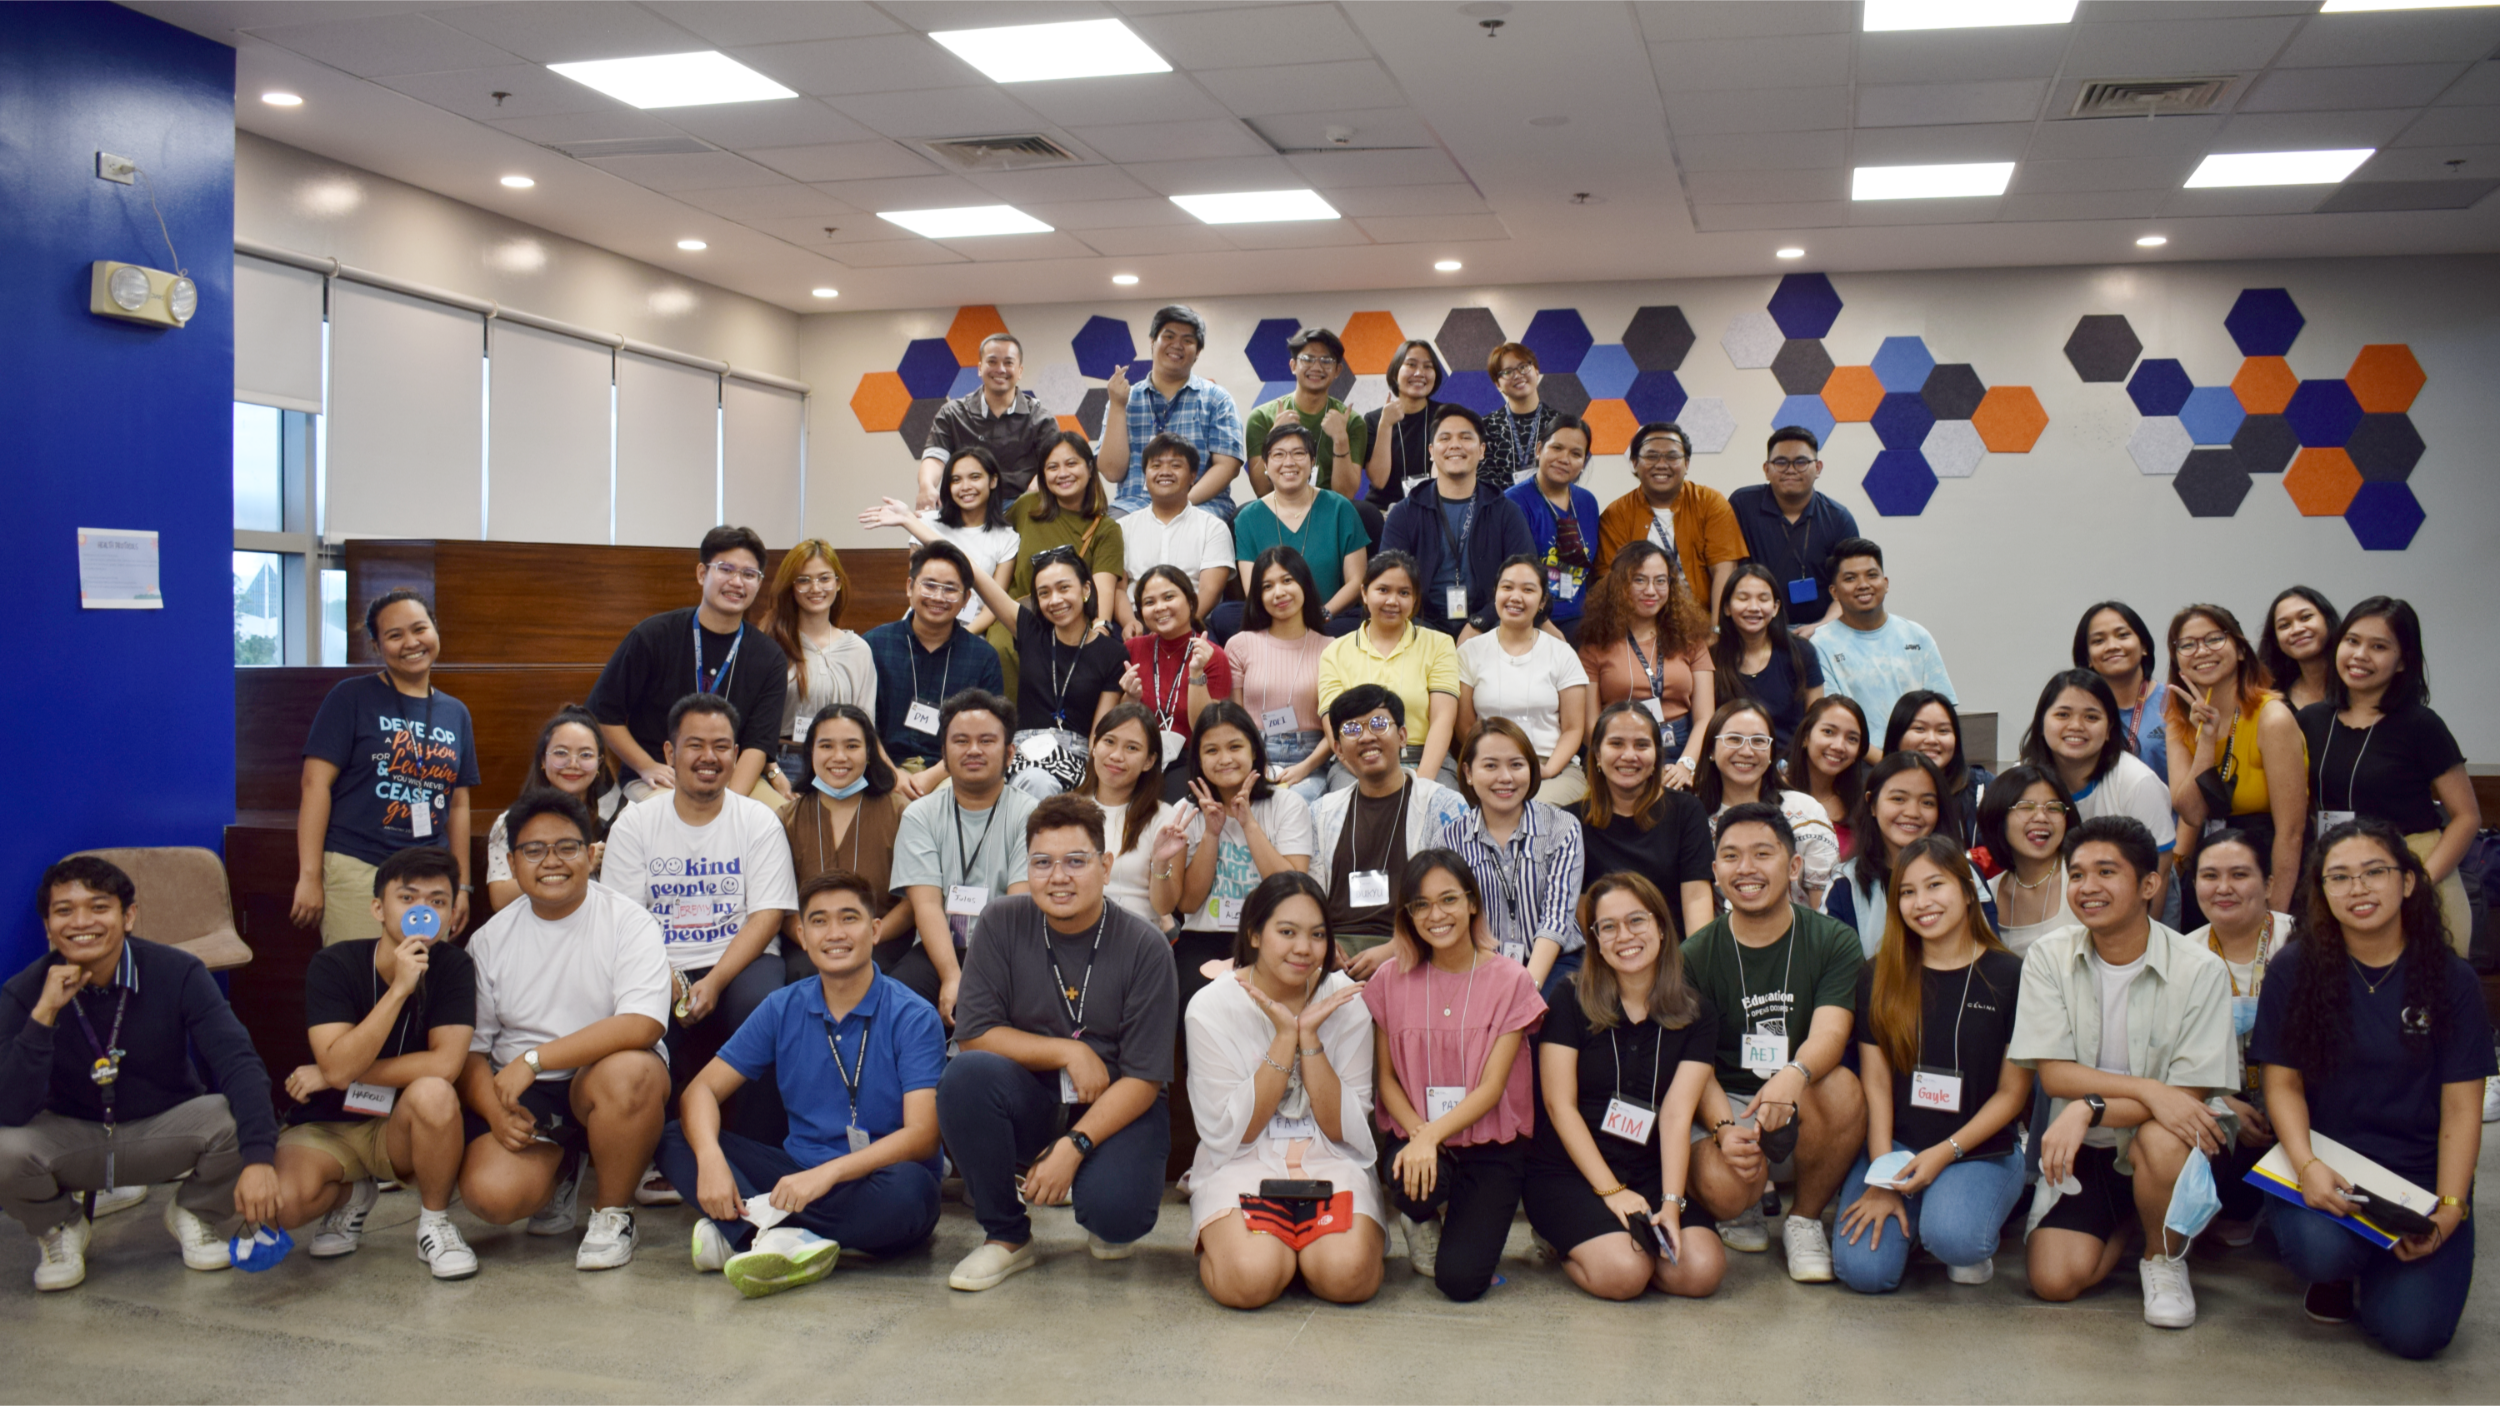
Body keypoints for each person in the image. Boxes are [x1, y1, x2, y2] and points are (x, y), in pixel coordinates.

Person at [2253, 819, 2492, 1359]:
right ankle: (2341, 1266)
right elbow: (2282, 1083)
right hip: (2329, 1162)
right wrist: (2307, 1165)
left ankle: (2384, 1261)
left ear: (2407, 881)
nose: (2357, 889)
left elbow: (2462, 1109)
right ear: (2322, 892)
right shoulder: (2294, 968)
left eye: (2374, 872)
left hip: (2419, 1173)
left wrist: (2450, 1208)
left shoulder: (2451, 979)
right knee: (2322, 1253)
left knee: (2415, 1336)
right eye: (2339, 877)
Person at [2, 857, 283, 1291]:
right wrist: (44, 1017)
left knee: (235, 1114)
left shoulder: (178, 972)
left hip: (163, 1130)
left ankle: (196, 1211)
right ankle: (60, 1227)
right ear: (48, 926)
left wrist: (261, 1160)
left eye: (99, 907)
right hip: (73, 1139)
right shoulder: (26, 990)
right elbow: (8, 1108)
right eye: (64, 910)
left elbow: (238, 1062)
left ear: (128, 916)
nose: (82, 922)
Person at [661, 872, 946, 1298]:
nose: (835, 933)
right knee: (675, 1138)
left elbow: (922, 1135)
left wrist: (826, 1176)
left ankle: (752, 1231)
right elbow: (701, 1092)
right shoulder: (782, 1006)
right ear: (802, 936)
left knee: (910, 1194)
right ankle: (784, 1239)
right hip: (794, 1174)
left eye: (848, 918)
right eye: (819, 921)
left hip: (878, 1180)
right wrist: (711, 1158)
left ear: (874, 930)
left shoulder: (913, 1015)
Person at [937, 795, 1181, 1290]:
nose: (1058, 877)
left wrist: (1075, 1146)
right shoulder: (1001, 921)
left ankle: (1093, 1186)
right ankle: (1006, 1236)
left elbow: (1144, 1079)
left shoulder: (1145, 946)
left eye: (1075, 861)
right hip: (1033, 1096)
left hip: (1116, 1101)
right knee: (964, 1076)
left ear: (1105, 866)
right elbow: (975, 1034)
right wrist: (1069, 1050)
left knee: (1116, 1218)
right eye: (1042, 863)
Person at [2009, 815, 2236, 1328]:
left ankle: (2163, 1258)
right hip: (2090, 1147)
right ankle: (2137, 1214)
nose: (2088, 887)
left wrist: (2088, 1107)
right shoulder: (2049, 956)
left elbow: (2184, 1101)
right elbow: (2056, 1076)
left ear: (2149, 885)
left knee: (2160, 1138)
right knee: (2053, 1280)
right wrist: (2145, 1092)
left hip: (2176, 1144)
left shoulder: (2199, 968)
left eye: (2106, 872)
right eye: (2077, 874)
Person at [456, 791, 672, 1271]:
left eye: (567, 847)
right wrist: (494, 1113)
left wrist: (535, 1060)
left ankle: (612, 1213)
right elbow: (470, 1053)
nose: (551, 861)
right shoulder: (488, 940)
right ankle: (564, 1169)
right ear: (513, 863)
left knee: (631, 1073)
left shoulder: (629, 921)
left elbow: (643, 1022)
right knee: (492, 1197)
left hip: (600, 1076)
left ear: (591, 854)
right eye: (534, 850)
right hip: (525, 1092)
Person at [1833, 839, 2032, 1293]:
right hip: (1897, 1145)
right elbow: (1876, 1083)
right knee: (1864, 1272)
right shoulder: (1878, 974)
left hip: (1978, 1149)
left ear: (1967, 891)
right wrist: (1883, 1174)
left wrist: (1944, 1153)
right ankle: (1920, 1212)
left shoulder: (2010, 975)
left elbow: (2012, 1094)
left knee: (1956, 1239)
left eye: (1935, 885)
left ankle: (1946, 1219)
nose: (1921, 902)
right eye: (1907, 892)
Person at [598, 694, 798, 1145]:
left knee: (764, 1008)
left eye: (721, 746)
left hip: (741, 959)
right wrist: (666, 975)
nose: (709, 757)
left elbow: (767, 915)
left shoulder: (758, 821)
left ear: (736, 754)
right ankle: (661, 1149)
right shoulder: (635, 823)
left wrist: (716, 980)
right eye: (695, 745)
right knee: (643, 1017)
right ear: (670, 753)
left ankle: (755, 1150)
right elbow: (624, 921)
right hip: (658, 961)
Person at [271, 847, 477, 1280]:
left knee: (435, 1091)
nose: (423, 911)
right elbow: (338, 1066)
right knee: (285, 1205)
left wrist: (331, 1074)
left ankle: (435, 1223)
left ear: (449, 914)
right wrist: (399, 989)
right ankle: (352, 1197)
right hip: (329, 1124)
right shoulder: (334, 964)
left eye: (438, 901)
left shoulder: (455, 966)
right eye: (408, 898)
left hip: (399, 1129)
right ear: (378, 908)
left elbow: (445, 1064)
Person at [1683, 804, 1868, 1275]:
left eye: (1763, 854)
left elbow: (1831, 1030)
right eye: (1731, 856)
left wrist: (1794, 1074)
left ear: (1794, 866)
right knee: (1724, 1189)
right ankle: (1740, 1206)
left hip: (1802, 1096)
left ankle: (1804, 1219)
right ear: (1715, 871)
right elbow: (1694, 1064)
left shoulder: (1832, 940)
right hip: (1728, 1101)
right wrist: (1724, 1128)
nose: (1746, 868)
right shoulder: (1694, 955)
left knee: (1844, 1087)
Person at [1185, 872, 1383, 1309]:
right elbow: (1235, 1132)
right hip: (1242, 1159)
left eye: (1317, 935)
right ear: (1254, 935)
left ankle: (1302, 1252)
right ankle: (1264, 1250)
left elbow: (1342, 1127)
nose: (1304, 948)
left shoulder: (1346, 999)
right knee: (1249, 1280)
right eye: (1287, 932)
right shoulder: (1211, 1006)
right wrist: (1284, 1037)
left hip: (1329, 1156)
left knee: (1348, 1277)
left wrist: (1309, 1040)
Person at [1527, 872, 1726, 1300]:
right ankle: (1572, 1243)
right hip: (1571, 1171)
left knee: (1701, 1271)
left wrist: (1670, 1203)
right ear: (1596, 941)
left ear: (1661, 926)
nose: (1625, 936)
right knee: (1624, 1273)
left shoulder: (1696, 1013)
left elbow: (1676, 1115)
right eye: (1608, 927)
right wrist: (1612, 1192)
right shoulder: (1569, 998)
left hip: (1648, 1170)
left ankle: (1631, 1245)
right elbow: (1559, 1106)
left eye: (1636, 920)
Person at [1364, 849, 1545, 1301]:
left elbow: (1493, 1087)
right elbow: (1386, 1080)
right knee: (1410, 1182)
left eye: (1448, 899)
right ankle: (1421, 1217)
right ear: (1408, 915)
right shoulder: (1389, 978)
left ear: (1472, 902)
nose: (1436, 915)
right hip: (1417, 1132)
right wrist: (1420, 1136)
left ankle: (1467, 1215)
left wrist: (1430, 1136)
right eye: (1421, 905)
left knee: (1460, 1282)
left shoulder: (1511, 980)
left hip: (1491, 1143)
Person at [293, 588, 481, 944]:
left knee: (422, 975)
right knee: (360, 974)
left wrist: (462, 886)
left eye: (419, 629)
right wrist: (310, 876)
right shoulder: (350, 697)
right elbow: (314, 785)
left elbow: (458, 804)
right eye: (395, 635)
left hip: (431, 877)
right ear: (377, 646)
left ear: (435, 630)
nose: (411, 642)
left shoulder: (455, 712)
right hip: (359, 868)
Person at [2297, 597, 2481, 958]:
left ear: (2403, 661)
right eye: (2352, 641)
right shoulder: (2310, 720)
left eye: (2378, 647)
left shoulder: (2421, 724)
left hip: (2417, 867)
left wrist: (2416, 882)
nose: (2360, 655)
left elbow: (2467, 816)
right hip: (2341, 872)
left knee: (2429, 984)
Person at [589, 526, 786, 802]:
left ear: (759, 583)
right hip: (662, 776)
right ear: (702, 573)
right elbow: (602, 713)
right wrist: (646, 765)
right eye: (726, 569)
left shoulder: (769, 656)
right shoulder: (653, 636)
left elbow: (758, 744)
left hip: (732, 778)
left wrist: (730, 804)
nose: (737, 582)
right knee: (670, 818)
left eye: (749, 574)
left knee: (781, 815)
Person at [889, 690, 1036, 1023]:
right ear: (943, 753)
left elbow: (1017, 908)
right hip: (938, 949)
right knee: (896, 1004)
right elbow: (926, 905)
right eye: (961, 741)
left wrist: (977, 977)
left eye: (986, 741)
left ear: (1009, 753)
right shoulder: (920, 815)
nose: (973, 750)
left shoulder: (1030, 814)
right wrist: (951, 975)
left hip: (1006, 952)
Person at [1308, 684, 1469, 977]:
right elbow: (1308, 895)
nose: (1367, 736)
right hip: (1334, 957)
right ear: (1338, 749)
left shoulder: (1443, 806)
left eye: (1379, 724)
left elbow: (1456, 898)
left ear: (1402, 736)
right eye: (1352, 729)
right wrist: (1321, 942)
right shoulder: (1321, 812)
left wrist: (1397, 948)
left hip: (1418, 950)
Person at [2163, 603, 2306, 920]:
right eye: (2187, 644)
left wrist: (2275, 919)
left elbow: (2292, 831)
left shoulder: (2272, 717)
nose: (2202, 651)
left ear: (2240, 650)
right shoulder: (2178, 720)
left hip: (2267, 865)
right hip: (2210, 867)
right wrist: (2206, 739)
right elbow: (2192, 812)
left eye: (2214, 639)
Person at [2181, 828, 2290, 1246]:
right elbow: (2167, 1055)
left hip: (2301, 1098)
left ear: (2269, 884)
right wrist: (2221, 1103)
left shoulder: (2302, 941)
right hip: (2222, 1098)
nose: (2223, 888)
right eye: (2210, 876)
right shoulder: (2182, 954)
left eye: (2239, 875)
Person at [956, 543, 1130, 798]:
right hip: (1023, 756)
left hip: (1076, 760)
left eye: (1064, 588)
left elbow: (1099, 734)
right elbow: (976, 574)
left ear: (1086, 589)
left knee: (1040, 784)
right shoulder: (1031, 631)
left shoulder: (1113, 653)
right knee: (1030, 780)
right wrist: (910, 524)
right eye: (1044, 593)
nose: (1055, 600)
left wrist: (1093, 785)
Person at [1174, 703, 1315, 1006]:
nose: (1225, 759)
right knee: (1196, 999)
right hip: (1204, 936)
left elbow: (1294, 891)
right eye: (1212, 751)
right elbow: (1187, 903)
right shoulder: (1186, 812)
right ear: (1198, 759)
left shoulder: (1287, 804)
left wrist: (1248, 824)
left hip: (1272, 934)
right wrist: (1211, 834)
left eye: (1235, 747)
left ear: (1254, 750)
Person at [1441, 718, 1585, 995]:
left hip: (1556, 962)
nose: (1505, 777)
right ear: (1468, 772)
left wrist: (1526, 990)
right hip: (1480, 963)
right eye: (1490, 766)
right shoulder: (1449, 839)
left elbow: (1556, 919)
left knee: (1553, 1008)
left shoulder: (1562, 827)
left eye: (1516, 765)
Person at [862, 541, 1006, 794]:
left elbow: (989, 731)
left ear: (966, 599)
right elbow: (860, 721)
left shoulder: (983, 657)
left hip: (951, 771)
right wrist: (891, 773)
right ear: (910, 587)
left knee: (957, 797)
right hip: (881, 766)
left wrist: (933, 776)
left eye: (950, 589)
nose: (938, 597)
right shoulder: (873, 645)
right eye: (929, 585)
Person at [781, 705, 913, 982]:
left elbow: (912, 902)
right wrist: (812, 939)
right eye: (826, 746)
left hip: (882, 942)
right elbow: (779, 903)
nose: (839, 757)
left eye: (852, 746)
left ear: (869, 753)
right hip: (809, 947)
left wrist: (870, 936)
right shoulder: (786, 819)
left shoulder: (901, 813)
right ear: (811, 752)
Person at [2021, 672, 2179, 900]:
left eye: (2091, 717)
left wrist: (2142, 923)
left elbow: (2159, 869)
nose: (2076, 726)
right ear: (2041, 723)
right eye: (2063, 714)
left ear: (2109, 729)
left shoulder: (2137, 782)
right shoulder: (2023, 780)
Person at [1380, 404, 1535, 637]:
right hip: (1420, 624)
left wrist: (1480, 622)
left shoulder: (1506, 512)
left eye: (1465, 437)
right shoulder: (1405, 512)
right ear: (1431, 451)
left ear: (1482, 450)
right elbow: (1388, 580)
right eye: (1445, 438)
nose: (1455, 445)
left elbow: (1526, 578)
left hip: (1491, 625)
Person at [1572, 702, 1717, 942]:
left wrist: (1696, 962)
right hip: (1607, 952)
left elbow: (1696, 901)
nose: (1629, 756)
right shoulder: (1572, 822)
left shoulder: (1687, 811)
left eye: (1642, 745)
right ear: (1597, 754)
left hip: (1675, 951)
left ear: (1656, 755)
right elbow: (1582, 913)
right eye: (1616, 744)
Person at [1316, 552, 1462, 787]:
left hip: (1425, 760)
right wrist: (1373, 781)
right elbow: (1334, 725)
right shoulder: (1334, 652)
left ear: (1415, 599)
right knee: (1352, 805)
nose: (1393, 601)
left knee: (1442, 805)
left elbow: (1443, 719)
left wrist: (1421, 784)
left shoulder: (1440, 644)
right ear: (1364, 593)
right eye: (1383, 590)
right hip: (1357, 763)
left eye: (1404, 593)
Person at [1457, 555, 1591, 807]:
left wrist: (1548, 770)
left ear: (1542, 601)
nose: (1515, 597)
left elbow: (1574, 728)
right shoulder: (1469, 652)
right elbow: (1465, 726)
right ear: (1495, 593)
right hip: (1491, 766)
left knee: (1532, 810)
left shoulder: (1562, 652)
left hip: (1552, 768)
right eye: (1507, 587)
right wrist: (1493, 766)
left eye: (1528, 590)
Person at [1576, 541, 1714, 779]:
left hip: (1681, 750)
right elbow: (1590, 727)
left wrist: (1686, 766)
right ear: (1620, 585)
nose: (1651, 591)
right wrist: (1621, 760)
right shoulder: (1595, 644)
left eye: (1660, 581)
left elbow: (1705, 717)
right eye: (1639, 580)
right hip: (1620, 752)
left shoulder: (1690, 638)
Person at [1101, 304, 1245, 524]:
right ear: (1152, 341)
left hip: (1201, 504)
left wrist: (1180, 504)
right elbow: (1112, 472)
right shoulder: (1123, 399)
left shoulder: (1217, 399)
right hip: (1134, 505)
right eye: (1168, 336)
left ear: (1198, 352)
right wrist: (1118, 406)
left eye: (1187, 340)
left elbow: (1228, 466)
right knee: (1109, 531)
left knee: (1203, 530)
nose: (1177, 345)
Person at [1226, 423, 1368, 636]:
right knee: (1224, 615)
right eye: (1278, 455)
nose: (1289, 462)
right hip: (1273, 619)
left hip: (1330, 620)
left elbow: (1356, 581)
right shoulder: (1247, 518)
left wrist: (1324, 613)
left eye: (1298, 453)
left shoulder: (1340, 508)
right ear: (1265, 464)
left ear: (1312, 461)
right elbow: (1252, 588)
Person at [860, 448, 1020, 639]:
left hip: (969, 633)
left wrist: (960, 638)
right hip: (922, 626)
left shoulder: (1007, 538)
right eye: (956, 480)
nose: (965, 486)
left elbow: (993, 607)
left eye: (975, 477)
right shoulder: (926, 523)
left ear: (993, 481)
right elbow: (917, 589)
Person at [760, 539, 878, 795]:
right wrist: (774, 773)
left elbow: (865, 724)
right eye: (803, 580)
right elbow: (753, 722)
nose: (815, 588)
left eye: (824, 578)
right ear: (791, 587)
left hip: (840, 764)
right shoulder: (770, 644)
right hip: (782, 764)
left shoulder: (858, 649)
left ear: (838, 583)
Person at [1695, 701, 1837, 909]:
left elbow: (1824, 909)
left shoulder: (1805, 811)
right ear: (1711, 750)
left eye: (1759, 741)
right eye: (1734, 739)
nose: (1746, 751)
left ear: (1771, 752)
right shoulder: (1694, 818)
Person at [1596, 421, 1744, 619]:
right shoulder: (1616, 514)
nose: (1661, 464)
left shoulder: (1710, 503)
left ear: (1687, 463)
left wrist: (1716, 628)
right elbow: (1611, 580)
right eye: (1651, 456)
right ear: (1634, 462)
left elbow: (1724, 571)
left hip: (1701, 620)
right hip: (1639, 621)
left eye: (1672, 456)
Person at [1226, 546, 1337, 803]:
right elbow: (1235, 719)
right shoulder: (1240, 644)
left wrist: (1304, 768)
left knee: (1292, 805)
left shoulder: (1331, 648)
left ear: (1304, 584)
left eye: (1287, 580)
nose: (1279, 593)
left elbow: (1335, 729)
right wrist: (1255, 763)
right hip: (1252, 754)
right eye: (1267, 586)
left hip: (1311, 760)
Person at [1810, 537, 1954, 736]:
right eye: (1850, 578)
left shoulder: (1917, 636)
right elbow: (1832, 724)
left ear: (1885, 583)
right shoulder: (1820, 645)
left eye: (1872, 575)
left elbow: (1944, 713)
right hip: (1855, 752)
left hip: (1917, 751)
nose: (1863, 585)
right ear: (1834, 592)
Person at [483, 706, 618, 914]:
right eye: (561, 753)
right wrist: (579, 865)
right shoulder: (511, 822)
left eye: (585, 755)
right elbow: (500, 899)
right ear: (543, 761)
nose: (573, 764)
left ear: (599, 763)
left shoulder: (623, 817)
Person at [1728, 426, 1862, 634]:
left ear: (1818, 468)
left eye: (1801, 462)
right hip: (1754, 627)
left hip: (1822, 630)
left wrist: (1819, 629)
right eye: (1781, 462)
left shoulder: (1838, 519)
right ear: (1766, 469)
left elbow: (1849, 589)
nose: (1790, 469)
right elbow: (1727, 569)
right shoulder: (1742, 506)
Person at [1006, 432, 1128, 657]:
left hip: (1069, 622)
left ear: (1089, 468)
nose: (1062, 474)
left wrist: (1100, 627)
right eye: (1052, 467)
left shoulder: (1106, 529)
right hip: (1015, 618)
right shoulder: (1026, 507)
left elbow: (1103, 589)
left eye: (1071, 464)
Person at [1824, 751, 1947, 957]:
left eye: (1927, 802)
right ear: (1872, 804)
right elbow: (1833, 965)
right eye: (1898, 799)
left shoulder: (1965, 875)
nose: (1912, 812)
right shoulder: (1845, 884)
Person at [1074, 703, 1188, 927]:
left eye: (1132, 748)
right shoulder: (1067, 810)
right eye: (1109, 742)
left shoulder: (1166, 819)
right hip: (1075, 930)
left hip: (1137, 935)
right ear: (1094, 746)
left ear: (1149, 761)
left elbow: (1164, 907)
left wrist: (1160, 864)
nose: (1117, 756)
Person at [917, 331, 1061, 504]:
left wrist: (1038, 486)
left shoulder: (1041, 419)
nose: (1000, 369)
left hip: (1021, 506)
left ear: (1020, 371)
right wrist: (926, 486)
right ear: (980, 368)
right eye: (992, 362)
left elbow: (1054, 464)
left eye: (1008, 363)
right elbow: (935, 458)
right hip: (965, 505)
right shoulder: (951, 414)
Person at [1122, 564, 1234, 773]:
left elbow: (1207, 729)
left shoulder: (1211, 655)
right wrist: (1130, 697)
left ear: (1191, 601)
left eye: (1168, 597)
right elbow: (1116, 723)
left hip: (1189, 759)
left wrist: (1197, 674)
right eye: (1149, 602)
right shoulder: (1132, 649)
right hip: (1136, 756)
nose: (1159, 607)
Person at [1117, 433, 1234, 633]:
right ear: (1145, 474)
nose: (1165, 472)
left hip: (1192, 625)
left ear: (1192, 476)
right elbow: (1118, 589)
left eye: (1175, 465)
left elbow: (1210, 590)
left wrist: (1180, 626)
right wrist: (1129, 623)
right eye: (1156, 465)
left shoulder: (1213, 528)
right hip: (1138, 625)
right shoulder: (1122, 527)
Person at [1504, 414, 1602, 641]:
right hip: (1529, 618)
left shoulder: (1587, 502)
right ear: (1539, 449)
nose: (1564, 459)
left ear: (1584, 461)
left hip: (1580, 619)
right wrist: (1547, 628)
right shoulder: (1513, 501)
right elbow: (1513, 576)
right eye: (1557, 448)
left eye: (1575, 454)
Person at [1711, 562, 1825, 753]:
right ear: (1727, 607)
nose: (1753, 607)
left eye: (1763, 599)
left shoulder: (1802, 652)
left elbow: (1815, 722)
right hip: (1732, 758)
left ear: (1775, 607)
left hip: (1790, 762)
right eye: (1743, 598)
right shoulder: (1711, 659)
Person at [1243, 327, 1368, 501]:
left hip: (1331, 510)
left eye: (1326, 360)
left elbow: (1345, 495)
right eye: (1307, 359)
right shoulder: (1262, 417)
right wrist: (1274, 436)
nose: (1316, 367)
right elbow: (1262, 490)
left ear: (1338, 370)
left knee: (1366, 512)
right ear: (1293, 366)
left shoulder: (1352, 422)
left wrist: (1341, 440)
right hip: (1279, 508)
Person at [1975, 764, 2076, 955]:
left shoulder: (2082, 882)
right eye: (2026, 807)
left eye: (2053, 808)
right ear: (1999, 817)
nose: (2041, 817)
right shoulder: (1987, 894)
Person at [1352, 338, 1448, 520]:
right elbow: (1379, 481)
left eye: (1428, 366)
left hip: (1433, 511)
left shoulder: (1447, 416)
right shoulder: (1374, 419)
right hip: (1384, 513)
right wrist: (1385, 425)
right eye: (1411, 364)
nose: (1419, 373)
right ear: (1396, 373)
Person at [2073, 601, 2168, 783]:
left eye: (2123, 635)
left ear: (2144, 646)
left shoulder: (2176, 703)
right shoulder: (2075, 712)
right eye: (2098, 641)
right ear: (2088, 658)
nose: (2112, 646)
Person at [1884, 691, 1991, 848]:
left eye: (1943, 731)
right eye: (1920, 729)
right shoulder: (1877, 787)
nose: (1932, 740)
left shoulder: (1983, 788)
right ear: (1897, 735)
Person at [1788, 696, 1870, 860]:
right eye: (1828, 732)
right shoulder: (1774, 792)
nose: (1839, 746)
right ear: (1805, 736)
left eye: (1852, 739)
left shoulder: (1862, 805)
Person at [1477, 341, 1559, 495]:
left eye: (1523, 367)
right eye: (1507, 372)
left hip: (1549, 505)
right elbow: (1485, 480)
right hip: (1501, 507)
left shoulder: (1559, 423)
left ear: (1536, 371)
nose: (1517, 375)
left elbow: (1565, 472)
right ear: (1498, 384)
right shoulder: (1485, 426)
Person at [2260, 585, 2340, 713]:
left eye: (2305, 617)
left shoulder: (2356, 684)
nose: (2297, 630)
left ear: (2328, 620)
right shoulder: (2273, 698)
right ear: (2276, 640)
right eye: (2284, 625)